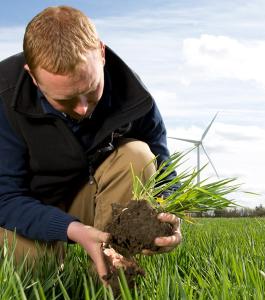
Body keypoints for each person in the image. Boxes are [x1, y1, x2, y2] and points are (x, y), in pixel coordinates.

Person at [0, 6, 181, 284]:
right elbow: (5, 198)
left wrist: (166, 219)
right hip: (27, 206)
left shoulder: (135, 98)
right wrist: (70, 229)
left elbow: (165, 176)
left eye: (91, 89)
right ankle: (48, 258)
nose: (84, 109)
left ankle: (109, 279)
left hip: (92, 197)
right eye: (65, 100)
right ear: (34, 77)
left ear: (102, 53)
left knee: (137, 155)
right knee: (30, 269)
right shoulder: (4, 96)